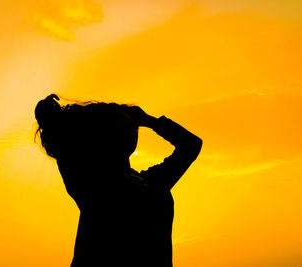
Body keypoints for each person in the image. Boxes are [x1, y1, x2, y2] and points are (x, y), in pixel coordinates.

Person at [34, 94, 202, 267]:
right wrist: (149, 122)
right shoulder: (92, 190)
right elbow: (61, 145)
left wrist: (150, 121)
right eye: (118, 123)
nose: (131, 125)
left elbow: (192, 145)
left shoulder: (149, 182)